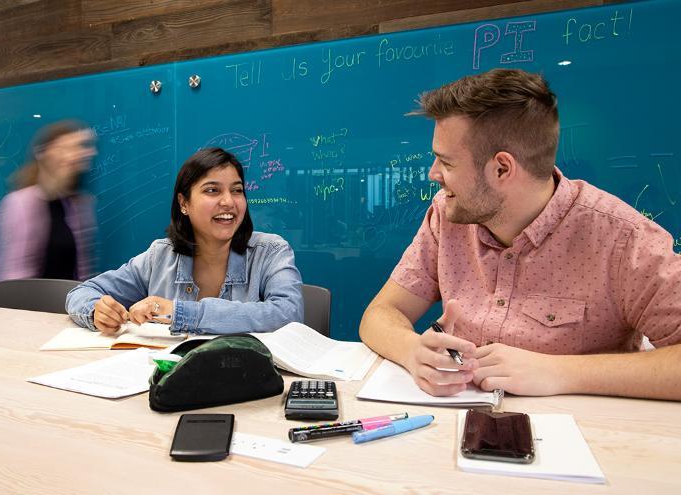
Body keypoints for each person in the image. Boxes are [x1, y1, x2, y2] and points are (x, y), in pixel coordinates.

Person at [359, 68, 681, 401]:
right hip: (455, 428)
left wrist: (560, 372)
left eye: (447, 163)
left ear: (502, 168)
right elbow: (379, 314)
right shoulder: (447, 217)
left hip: (582, 441)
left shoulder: (621, 239)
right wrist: (414, 351)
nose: (433, 174)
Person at [66, 147, 303, 335]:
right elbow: (83, 292)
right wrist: (97, 310)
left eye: (237, 190)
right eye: (212, 190)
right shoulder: (160, 256)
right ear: (184, 203)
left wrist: (179, 313)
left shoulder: (271, 250)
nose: (229, 202)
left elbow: (288, 313)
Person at [0, 120, 97, 282]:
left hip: (67, 305)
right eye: (65, 148)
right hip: (26, 305)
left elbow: (82, 270)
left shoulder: (79, 205)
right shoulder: (19, 204)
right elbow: (12, 278)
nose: (76, 155)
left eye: (79, 148)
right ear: (43, 153)